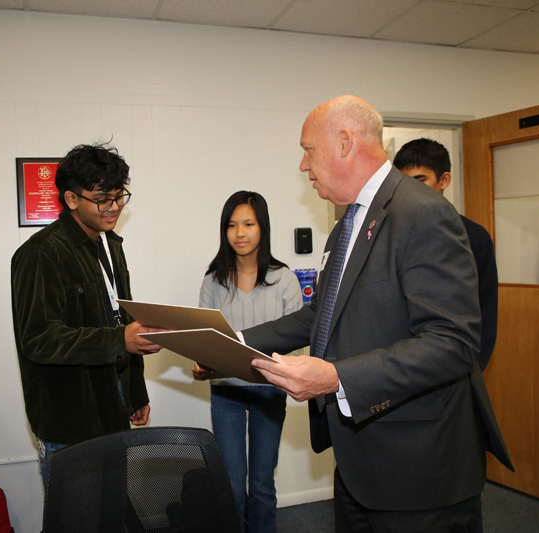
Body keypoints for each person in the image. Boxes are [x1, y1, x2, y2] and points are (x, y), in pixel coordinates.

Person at [245, 96, 513, 532]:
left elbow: (453, 343)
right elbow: (321, 316)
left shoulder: (423, 213)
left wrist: (337, 379)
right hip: (359, 461)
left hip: (419, 468)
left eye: (307, 149)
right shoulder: (347, 224)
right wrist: (230, 340)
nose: (302, 165)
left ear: (345, 142)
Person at [11, 142, 163, 487]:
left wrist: (136, 392)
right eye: (101, 199)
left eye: (119, 196)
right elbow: (39, 339)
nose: (113, 208)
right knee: (76, 518)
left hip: (113, 408)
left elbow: (120, 320)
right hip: (70, 420)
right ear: (71, 199)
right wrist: (119, 339)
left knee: (109, 512)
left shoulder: (111, 245)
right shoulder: (41, 253)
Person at [192, 190, 302, 533]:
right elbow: (204, 340)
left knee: (262, 485)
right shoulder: (213, 281)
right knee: (231, 485)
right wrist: (201, 362)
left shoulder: (284, 279)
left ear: (262, 227)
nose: (240, 232)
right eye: (232, 225)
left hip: (269, 393)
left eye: (249, 224)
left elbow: (297, 346)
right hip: (226, 393)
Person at [393, 138, 498, 371]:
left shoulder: (474, 236)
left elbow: (485, 314)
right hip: (404, 367)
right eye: (403, 184)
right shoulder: (391, 233)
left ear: (444, 180)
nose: (410, 192)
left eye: (420, 182)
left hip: (456, 368)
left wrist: (471, 374)